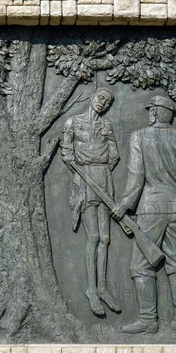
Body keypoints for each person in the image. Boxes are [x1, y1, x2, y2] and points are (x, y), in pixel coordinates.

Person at [112, 95, 176, 334]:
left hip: (151, 208)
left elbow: (136, 176)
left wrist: (124, 205)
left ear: (153, 114)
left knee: (141, 265)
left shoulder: (140, 137)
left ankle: (148, 320)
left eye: (150, 110)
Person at [61, 89, 121, 316]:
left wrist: (100, 168)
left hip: (104, 179)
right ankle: (92, 290)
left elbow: (114, 155)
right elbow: (66, 154)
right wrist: (84, 169)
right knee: (93, 237)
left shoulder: (106, 126)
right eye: (100, 98)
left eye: (107, 101)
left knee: (105, 238)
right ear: (92, 97)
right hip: (84, 180)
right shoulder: (72, 123)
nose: (102, 103)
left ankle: (104, 287)